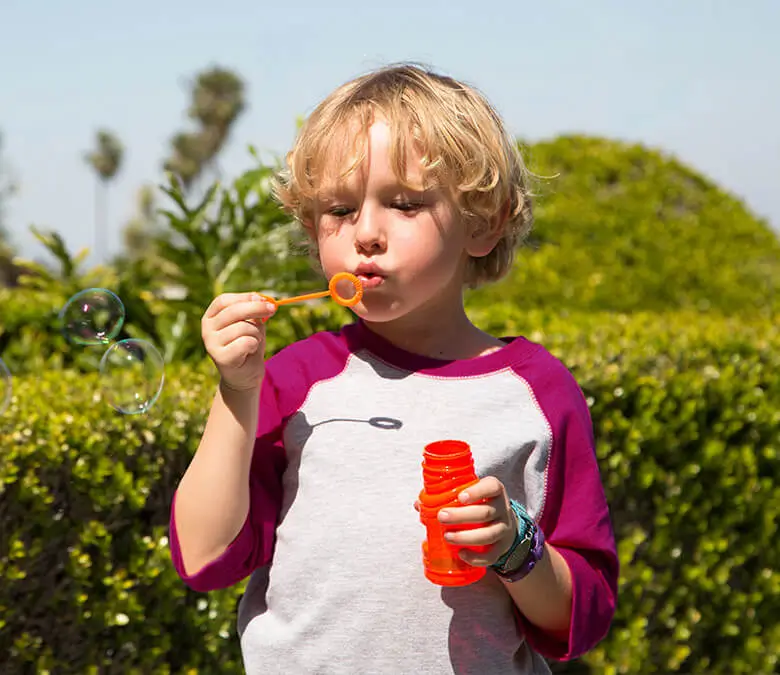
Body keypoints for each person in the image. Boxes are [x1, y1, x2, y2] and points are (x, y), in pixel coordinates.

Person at [169, 63, 618, 674]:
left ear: (483, 224)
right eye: (339, 210)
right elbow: (204, 557)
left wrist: (515, 547)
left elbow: (580, 618)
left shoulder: (537, 393)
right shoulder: (296, 380)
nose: (367, 234)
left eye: (404, 204)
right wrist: (236, 390)